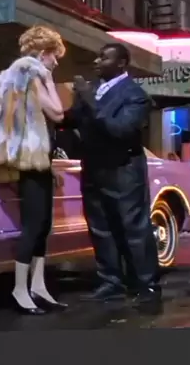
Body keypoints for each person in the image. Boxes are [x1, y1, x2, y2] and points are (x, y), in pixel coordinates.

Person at [0, 25, 66, 314]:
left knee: (42, 226)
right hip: (29, 163)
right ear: (44, 53)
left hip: (34, 162)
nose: (56, 62)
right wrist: (50, 81)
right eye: (54, 56)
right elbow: (57, 112)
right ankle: (20, 289)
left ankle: (38, 286)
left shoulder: (13, 76)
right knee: (34, 226)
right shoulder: (29, 75)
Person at [63, 42, 160, 303]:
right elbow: (71, 120)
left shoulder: (135, 94)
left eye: (103, 58)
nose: (96, 61)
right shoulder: (92, 90)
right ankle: (111, 281)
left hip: (123, 170)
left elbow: (120, 129)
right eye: (97, 57)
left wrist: (89, 100)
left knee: (133, 228)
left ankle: (146, 284)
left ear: (121, 63)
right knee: (101, 227)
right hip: (94, 168)